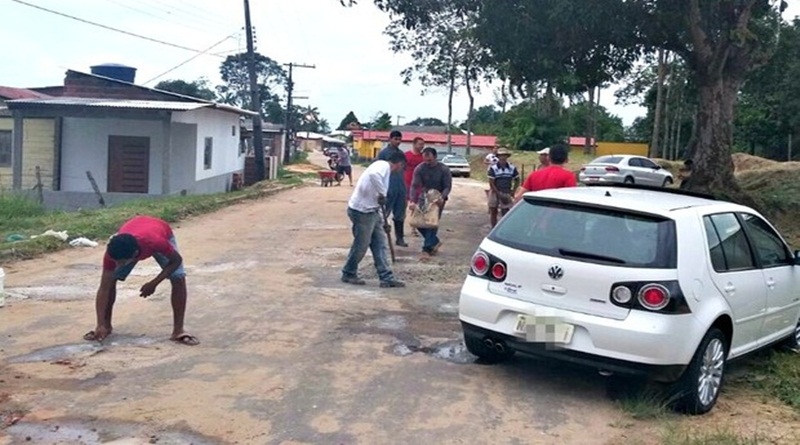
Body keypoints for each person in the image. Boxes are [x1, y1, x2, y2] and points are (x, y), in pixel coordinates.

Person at [84, 215, 198, 345]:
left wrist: (154, 283)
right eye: (116, 262)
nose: (118, 265)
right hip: (133, 230)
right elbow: (103, 288)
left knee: (178, 278)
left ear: (134, 255)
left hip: (159, 230)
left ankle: (178, 330)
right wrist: (100, 323)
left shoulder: (155, 242)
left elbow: (176, 260)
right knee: (111, 279)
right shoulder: (112, 254)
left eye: (122, 263)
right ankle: (105, 327)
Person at [341, 151, 407, 288]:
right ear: (399, 164)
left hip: (371, 211)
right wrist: (383, 193)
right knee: (361, 245)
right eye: (402, 167)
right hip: (361, 211)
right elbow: (373, 175)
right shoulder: (382, 166)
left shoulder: (385, 170)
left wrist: (384, 222)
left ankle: (386, 277)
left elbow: (378, 204)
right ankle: (348, 272)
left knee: (380, 244)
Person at [409, 147, 452, 257]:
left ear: (435, 157)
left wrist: (442, 198)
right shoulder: (420, 168)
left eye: (430, 160)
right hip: (424, 197)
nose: (427, 163)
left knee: (432, 223)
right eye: (425, 160)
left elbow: (447, 186)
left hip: (438, 198)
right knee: (418, 222)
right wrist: (412, 200)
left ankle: (426, 248)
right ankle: (434, 241)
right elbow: (414, 186)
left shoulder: (444, 169)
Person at [377, 130, 408, 247]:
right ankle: (379, 238)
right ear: (390, 139)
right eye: (395, 139)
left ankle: (400, 238)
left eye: (399, 139)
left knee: (400, 214)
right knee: (384, 214)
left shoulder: (401, 154)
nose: (398, 141)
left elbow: (404, 170)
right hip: (388, 187)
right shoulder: (384, 153)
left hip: (400, 188)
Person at [487, 148, 520, 227]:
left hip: (506, 191)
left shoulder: (512, 168)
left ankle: (503, 228)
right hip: (495, 191)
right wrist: (498, 193)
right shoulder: (493, 168)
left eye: (504, 155)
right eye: (501, 155)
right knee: (493, 210)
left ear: (507, 156)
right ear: (498, 157)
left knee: (505, 211)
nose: (503, 157)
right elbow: (491, 183)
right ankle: (493, 228)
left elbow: (517, 179)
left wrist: (513, 190)